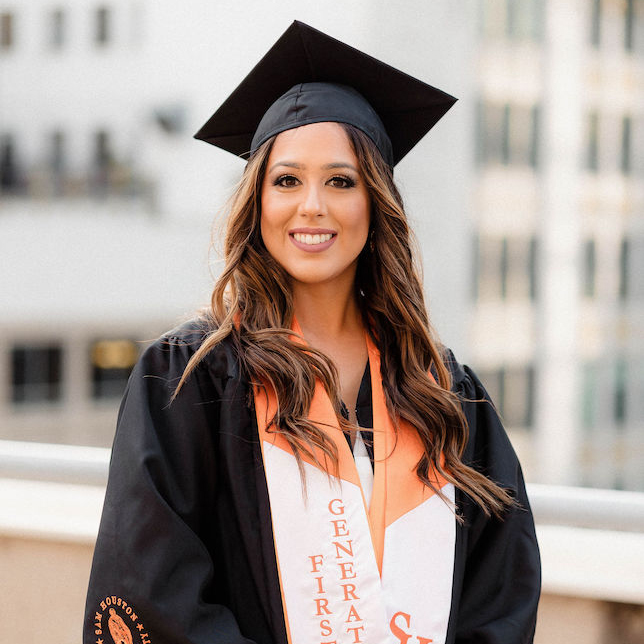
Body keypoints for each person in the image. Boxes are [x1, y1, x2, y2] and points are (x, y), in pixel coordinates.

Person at [84, 21, 540, 644]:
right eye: (287, 180)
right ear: (259, 203)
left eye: (341, 181)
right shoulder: (190, 380)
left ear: (375, 203)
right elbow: (152, 585)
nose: (312, 206)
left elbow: (500, 589)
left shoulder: (443, 389)